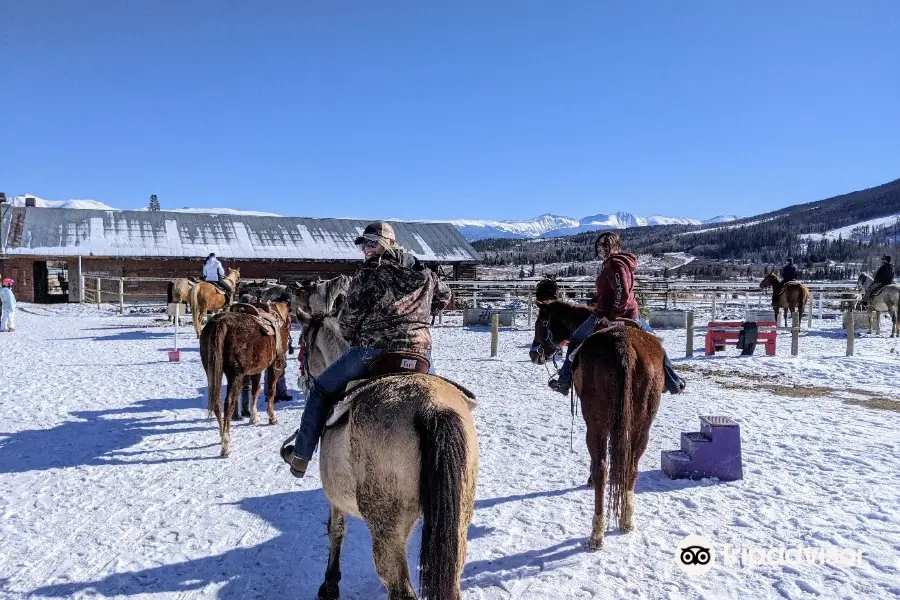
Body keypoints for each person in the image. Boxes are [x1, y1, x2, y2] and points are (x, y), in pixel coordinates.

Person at [281, 221, 447, 478]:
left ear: (388, 244)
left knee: (321, 389)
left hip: (374, 353)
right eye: (363, 244)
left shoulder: (369, 274)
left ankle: (301, 457)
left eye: (371, 243)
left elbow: (347, 321)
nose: (366, 249)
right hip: (419, 354)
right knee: (441, 399)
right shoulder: (424, 272)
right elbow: (444, 296)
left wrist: (355, 334)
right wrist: (420, 316)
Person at [548, 232, 685, 396]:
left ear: (616, 248)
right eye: (600, 247)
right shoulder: (615, 263)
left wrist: (612, 316)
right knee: (655, 342)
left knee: (576, 338)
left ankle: (564, 381)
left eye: (606, 247)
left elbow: (622, 293)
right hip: (631, 313)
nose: (603, 251)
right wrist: (595, 299)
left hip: (609, 314)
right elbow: (609, 290)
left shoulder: (614, 264)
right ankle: (672, 380)